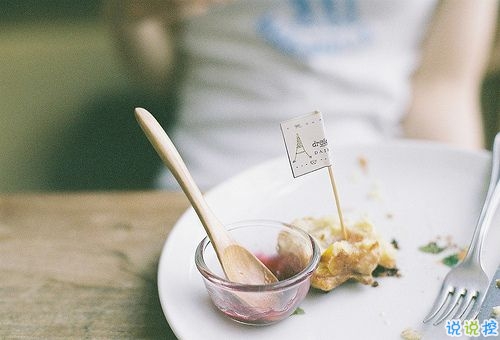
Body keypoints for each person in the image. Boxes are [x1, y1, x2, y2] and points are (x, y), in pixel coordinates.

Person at [104, 0, 498, 190]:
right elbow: (159, 78)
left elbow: (441, 90)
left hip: (378, 183)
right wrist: (128, 11)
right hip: (204, 181)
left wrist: (465, 208)